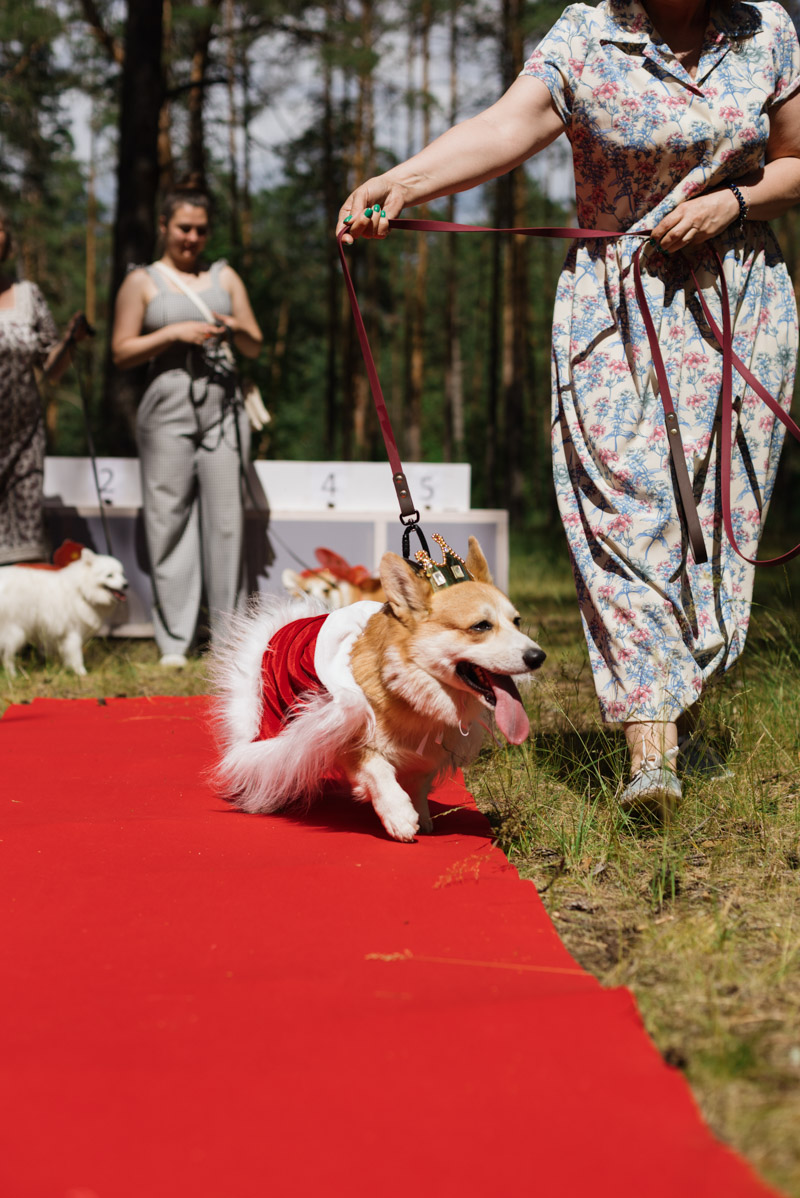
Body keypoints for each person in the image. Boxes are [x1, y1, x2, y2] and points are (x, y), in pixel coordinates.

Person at [337, 0, 800, 814]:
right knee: (623, 512)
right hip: (614, 307)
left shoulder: (767, 29)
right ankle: (650, 748)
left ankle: (682, 710)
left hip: (740, 305)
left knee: (720, 528)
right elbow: (505, 126)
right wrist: (402, 182)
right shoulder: (588, 33)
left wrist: (732, 203)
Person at [111, 178, 263, 667]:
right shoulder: (142, 280)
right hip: (167, 407)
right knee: (168, 521)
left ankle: (229, 642)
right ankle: (175, 641)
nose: (191, 238)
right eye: (182, 228)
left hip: (222, 409)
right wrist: (173, 332)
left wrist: (232, 326)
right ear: (163, 226)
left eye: (200, 230)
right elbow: (121, 351)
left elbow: (255, 343)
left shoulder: (226, 277)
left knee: (226, 524)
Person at [0, 206, 92, 565]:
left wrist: (69, 342)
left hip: (22, 441)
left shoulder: (27, 295)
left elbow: (51, 369)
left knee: (21, 555)